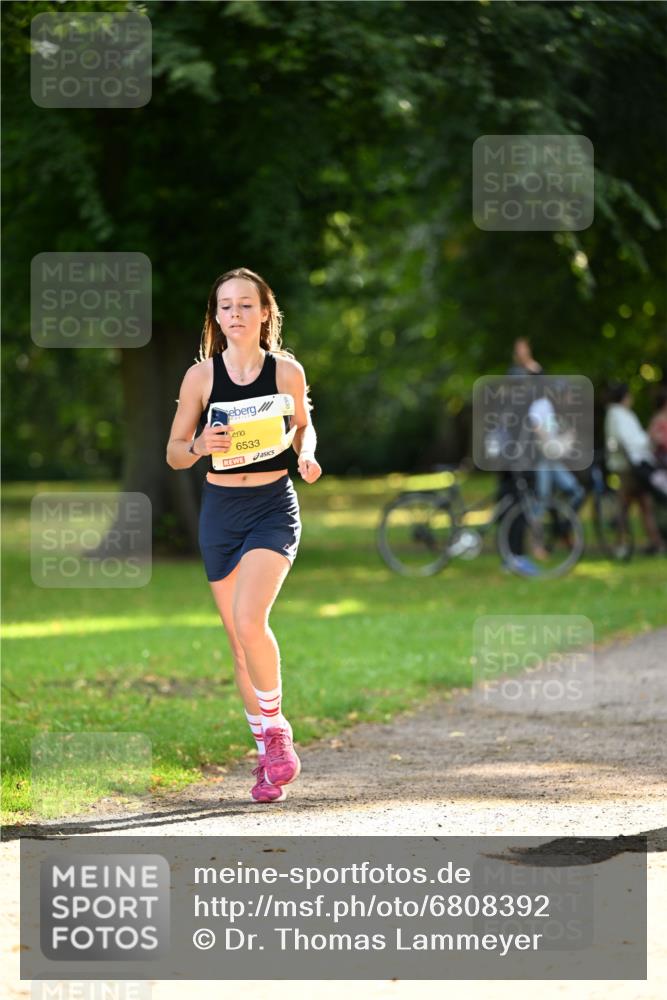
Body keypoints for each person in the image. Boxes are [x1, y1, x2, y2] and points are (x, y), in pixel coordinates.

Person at [166, 267, 322, 803]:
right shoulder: (200, 378)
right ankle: (264, 757)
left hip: (272, 507)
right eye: (226, 306)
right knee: (238, 642)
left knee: (251, 619)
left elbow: (303, 425)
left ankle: (277, 730)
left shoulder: (287, 371)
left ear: (264, 312)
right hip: (221, 512)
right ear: (217, 316)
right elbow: (174, 452)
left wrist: (306, 454)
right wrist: (200, 445)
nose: (235, 314)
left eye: (245, 305)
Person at [604, 382, 664, 555]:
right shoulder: (616, 414)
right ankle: (623, 543)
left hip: (636, 464)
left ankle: (655, 543)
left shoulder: (625, 414)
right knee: (627, 505)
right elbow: (627, 440)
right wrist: (649, 441)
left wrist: (647, 441)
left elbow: (636, 438)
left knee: (643, 504)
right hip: (626, 466)